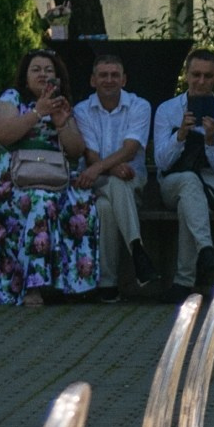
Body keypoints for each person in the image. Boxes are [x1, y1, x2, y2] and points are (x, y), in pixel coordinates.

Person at [0, 47, 99, 310]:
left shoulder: (61, 103)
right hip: (13, 182)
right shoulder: (12, 99)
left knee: (84, 201)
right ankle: (32, 287)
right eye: (36, 70)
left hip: (55, 178)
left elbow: (75, 150)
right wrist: (37, 112)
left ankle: (73, 285)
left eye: (49, 70)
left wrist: (61, 121)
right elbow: (3, 134)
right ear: (25, 77)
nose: (43, 74)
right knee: (40, 202)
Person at [151, 50, 214, 298]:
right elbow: (160, 162)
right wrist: (179, 135)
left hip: (212, 183)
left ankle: (183, 283)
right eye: (196, 75)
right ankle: (206, 248)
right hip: (173, 180)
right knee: (188, 183)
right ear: (186, 75)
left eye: (207, 76)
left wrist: (211, 140)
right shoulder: (167, 110)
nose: (201, 82)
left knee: (189, 202)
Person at [73, 50, 155, 297]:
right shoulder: (82, 110)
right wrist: (106, 168)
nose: (109, 80)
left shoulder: (140, 106)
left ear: (124, 79)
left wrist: (100, 167)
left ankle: (108, 284)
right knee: (107, 201)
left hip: (132, 178)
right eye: (103, 75)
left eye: (114, 75)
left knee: (110, 200)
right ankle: (137, 252)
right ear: (93, 80)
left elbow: (130, 150)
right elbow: (89, 152)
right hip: (97, 181)